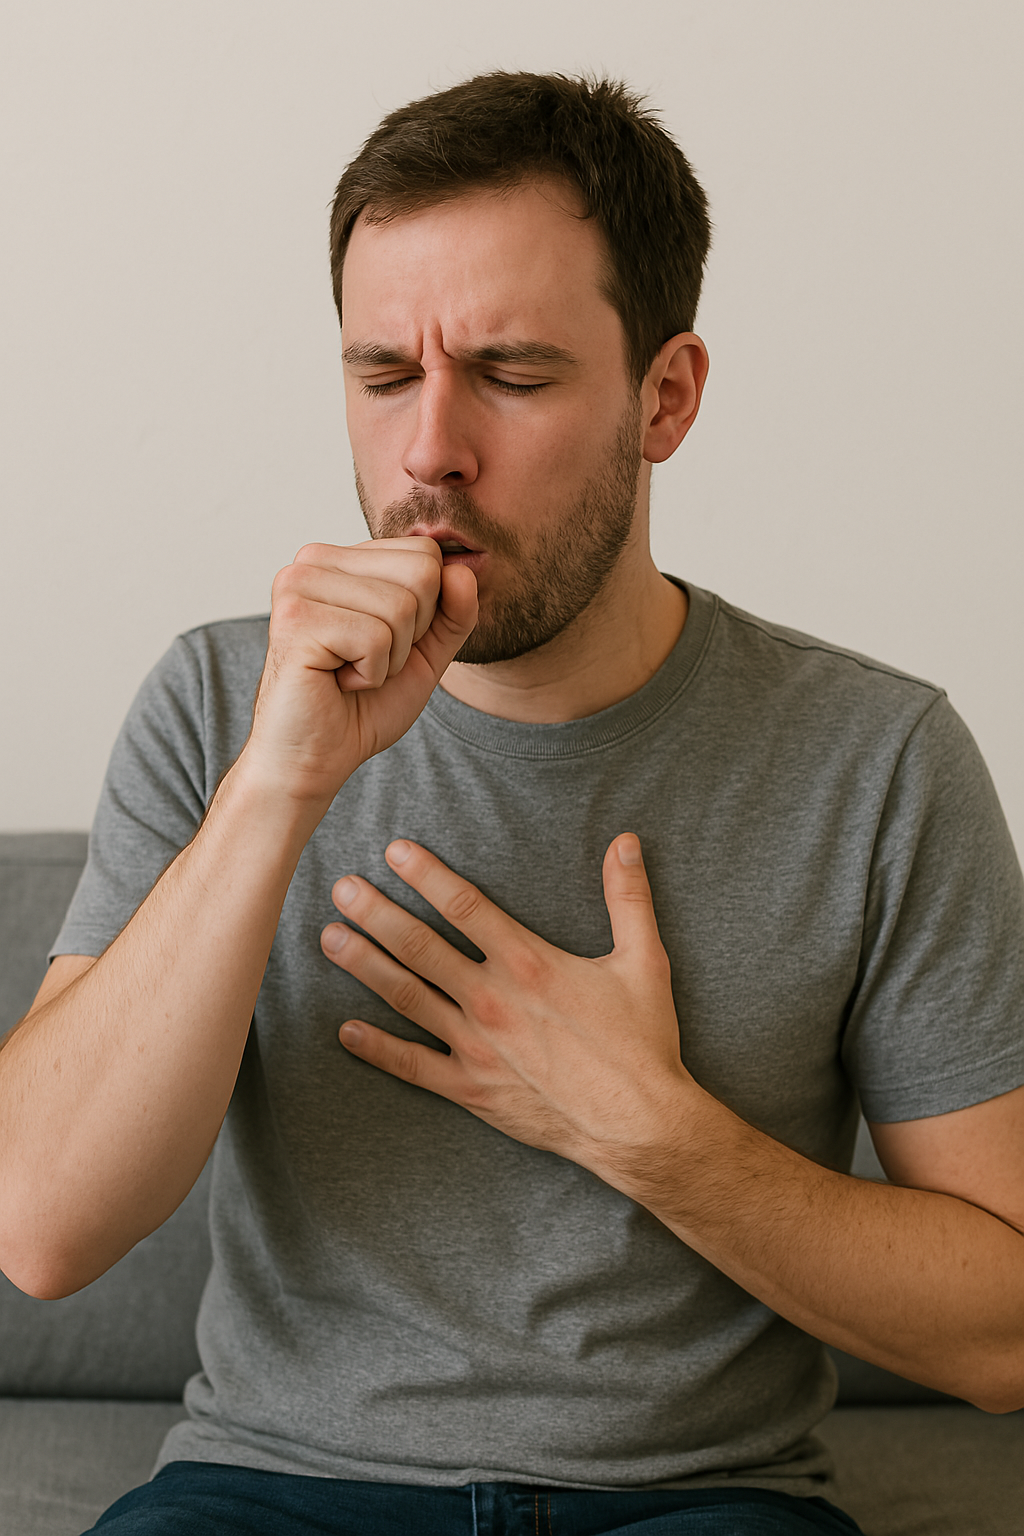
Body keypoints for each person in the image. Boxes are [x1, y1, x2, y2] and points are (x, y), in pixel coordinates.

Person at [1, 71, 1022, 1536]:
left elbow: (1006, 1335)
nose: (429, 453)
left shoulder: (879, 758)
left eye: (513, 374)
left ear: (664, 398)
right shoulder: (217, 707)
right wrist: (280, 783)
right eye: (382, 376)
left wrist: (652, 1134)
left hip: (695, 1507)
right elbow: (39, 1229)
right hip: (269, 1495)